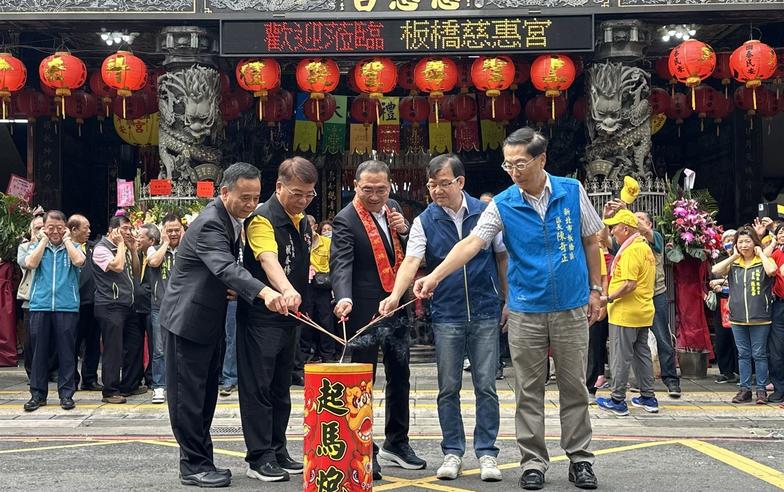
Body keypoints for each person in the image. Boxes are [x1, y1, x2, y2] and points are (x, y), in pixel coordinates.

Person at [414, 127, 603, 490]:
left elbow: (590, 240)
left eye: (520, 163)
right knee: (527, 389)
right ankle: (533, 462)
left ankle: (580, 459)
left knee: (574, 387)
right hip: (525, 310)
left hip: (571, 305)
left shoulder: (572, 191)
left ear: (541, 159)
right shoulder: (502, 203)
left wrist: (597, 289)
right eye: (508, 164)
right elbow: (472, 243)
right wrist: (435, 276)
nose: (513, 171)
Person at [379, 154, 507, 483]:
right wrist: (395, 295)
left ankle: (487, 453)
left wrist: (506, 299)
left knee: (486, 386)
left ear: (461, 182)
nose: (437, 190)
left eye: (444, 183)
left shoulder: (486, 213)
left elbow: (502, 257)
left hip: (485, 309)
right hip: (447, 313)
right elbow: (411, 261)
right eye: (432, 184)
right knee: (447, 387)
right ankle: (452, 451)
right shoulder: (426, 220)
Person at [160, 162, 286, 488]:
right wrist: (265, 292)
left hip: (207, 322)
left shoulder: (232, 221)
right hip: (186, 322)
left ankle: (203, 460)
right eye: (244, 197)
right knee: (188, 398)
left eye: (256, 197)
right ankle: (192, 466)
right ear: (224, 192)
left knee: (205, 398)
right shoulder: (209, 224)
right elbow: (226, 268)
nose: (250, 204)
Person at [331, 159, 426, 480]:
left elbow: (411, 250)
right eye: (367, 189)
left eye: (381, 189)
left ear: (391, 187)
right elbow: (340, 263)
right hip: (364, 311)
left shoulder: (394, 208)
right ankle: (363, 448)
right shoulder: (346, 219)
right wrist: (343, 296)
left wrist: (406, 229)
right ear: (355, 186)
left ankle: (397, 442)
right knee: (363, 383)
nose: (375, 195)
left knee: (401, 376)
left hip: (396, 306)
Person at [237, 157, 316, 483]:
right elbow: (268, 260)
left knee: (281, 387)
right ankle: (259, 457)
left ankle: (278, 448)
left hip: (290, 319)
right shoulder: (261, 219)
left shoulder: (301, 220)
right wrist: (285, 289)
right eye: (297, 193)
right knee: (259, 389)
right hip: (262, 319)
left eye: (309, 195)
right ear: (279, 186)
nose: (302, 200)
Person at [595, 210, 658, 416]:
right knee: (642, 354)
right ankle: (648, 397)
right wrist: (606, 217)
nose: (612, 232)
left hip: (626, 312)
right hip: (642, 310)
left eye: (614, 228)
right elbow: (604, 237)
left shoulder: (631, 251)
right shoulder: (643, 247)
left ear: (626, 228)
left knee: (620, 357)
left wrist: (608, 298)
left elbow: (629, 284)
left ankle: (617, 400)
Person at [21, 210, 85, 411]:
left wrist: (67, 241)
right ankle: (37, 394)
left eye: (59, 228)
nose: (54, 232)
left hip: (66, 306)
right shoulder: (36, 247)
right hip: (40, 304)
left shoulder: (73, 246)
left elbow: (79, 261)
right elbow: (30, 263)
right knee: (39, 351)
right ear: (44, 228)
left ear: (65, 228)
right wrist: (42, 241)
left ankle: (66, 394)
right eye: (50, 228)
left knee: (67, 352)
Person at [712, 226, 777, 404]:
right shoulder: (734, 263)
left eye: (747, 241)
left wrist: (761, 253)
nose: (744, 245)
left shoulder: (762, 261)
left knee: (760, 354)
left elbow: (772, 271)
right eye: (740, 242)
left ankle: (761, 390)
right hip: (738, 317)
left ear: (754, 242)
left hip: (760, 316)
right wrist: (733, 255)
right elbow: (716, 271)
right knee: (743, 354)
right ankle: (745, 389)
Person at [92, 214, 143, 404]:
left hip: (127, 304)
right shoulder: (100, 249)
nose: (129, 233)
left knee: (134, 343)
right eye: (125, 230)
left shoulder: (124, 248)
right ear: (112, 230)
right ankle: (110, 390)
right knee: (113, 349)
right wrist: (122, 245)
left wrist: (132, 250)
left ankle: (128, 385)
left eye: (130, 229)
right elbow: (118, 267)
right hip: (109, 305)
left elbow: (136, 272)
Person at [632, 211, 681, 398]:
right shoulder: (628, 241)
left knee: (662, 337)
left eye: (642, 219)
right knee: (635, 340)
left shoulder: (655, 238)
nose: (637, 222)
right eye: (634, 218)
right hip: (633, 297)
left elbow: (647, 232)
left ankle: (671, 381)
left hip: (655, 294)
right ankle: (641, 380)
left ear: (650, 224)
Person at [147, 215, 183, 404]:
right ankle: (159, 386)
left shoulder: (187, 248)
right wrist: (165, 244)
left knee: (181, 348)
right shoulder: (154, 248)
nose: (174, 233)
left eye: (177, 229)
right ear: (163, 231)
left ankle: (179, 385)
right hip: (160, 306)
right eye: (169, 230)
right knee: (160, 348)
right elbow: (153, 262)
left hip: (183, 306)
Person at [68, 214, 102, 391]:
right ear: (73, 230)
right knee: (72, 343)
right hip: (74, 303)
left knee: (93, 342)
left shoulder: (93, 248)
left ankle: (90, 379)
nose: (89, 231)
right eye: (85, 228)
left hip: (93, 302)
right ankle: (71, 379)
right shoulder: (67, 248)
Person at [299, 216, 336, 364]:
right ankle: (305, 358)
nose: (308, 227)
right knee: (305, 322)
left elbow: (334, 264)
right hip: (304, 287)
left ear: (315, 226)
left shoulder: (326, 242)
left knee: (325, 321)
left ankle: (328, 355)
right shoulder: (300, 242)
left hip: (322, 286)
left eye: (310, 224)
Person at [17, 215, 45, 380]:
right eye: (36, 228)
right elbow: (26, 263)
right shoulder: (25, 247)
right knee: (31, 339)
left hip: (49, 298)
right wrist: (38, 243)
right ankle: (32, 372)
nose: (40, 231)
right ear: (30, 230)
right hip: (30, 297)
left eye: (43, 227)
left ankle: (51, 370)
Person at [709, 229, 739, 384]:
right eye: (726, 239)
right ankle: (726, 372)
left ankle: (741, 371)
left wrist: (721, 281)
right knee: (723, 337)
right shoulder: (718, 258)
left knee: (739, 338)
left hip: (739, 302)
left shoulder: (742, 257)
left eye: (733, 239)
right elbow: (712, 278)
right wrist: (717, 284)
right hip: (722, 302)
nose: (730, 241)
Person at [585, 232, 610, 399]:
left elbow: (603, 278)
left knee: (593, 345)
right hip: (572, 301)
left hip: (591, 301)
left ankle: (590, 386)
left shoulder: (595, 250)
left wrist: (603, 302)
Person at [134, 223, 158, 392]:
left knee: (155, 344)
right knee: (135, 345)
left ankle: (152, 377)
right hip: (135, 307)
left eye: (141, 237)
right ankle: (135, 377)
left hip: (152, 306)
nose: (137, 239)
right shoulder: (136, 254)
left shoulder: (156, 254)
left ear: (152, 240)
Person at [767, 224, 784, 403]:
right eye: (780, 232)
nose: (783, 235)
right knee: (777, 350)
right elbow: (762, 259)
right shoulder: (776, 254)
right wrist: (772, 243)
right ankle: (779, 389)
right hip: (779, 306)